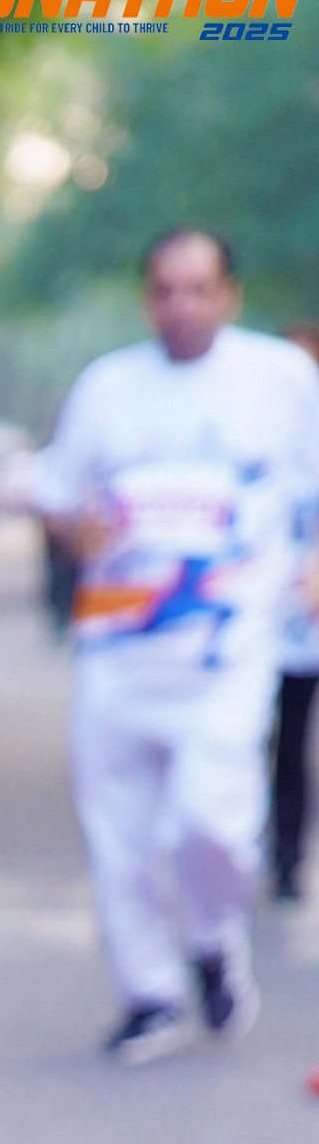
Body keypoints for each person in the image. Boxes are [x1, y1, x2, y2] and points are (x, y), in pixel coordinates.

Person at [35, 230, 319, 1064]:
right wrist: (73, 530)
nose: (181, 306)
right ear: (146, 299)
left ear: (229, 295)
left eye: (198, 289)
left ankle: (212, 939)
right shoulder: (106, 387)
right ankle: (150, 994)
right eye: (165, 290)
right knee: (119, 837)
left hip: (226, 657)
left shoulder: (281, 379)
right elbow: (58, 495)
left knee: (211, 825)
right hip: (117, 654)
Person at [269, 324, 319, 910]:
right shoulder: (251, 438)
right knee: (267, 741)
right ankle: (272, 848)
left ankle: (287, 855)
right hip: (256, 628)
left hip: (305, 628)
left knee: (292, 743)